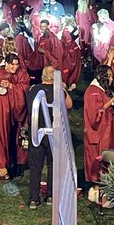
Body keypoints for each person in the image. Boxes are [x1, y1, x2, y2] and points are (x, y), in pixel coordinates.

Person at [25, 65, 72, 209]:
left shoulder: (32, 89)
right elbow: (69, 105)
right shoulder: (58, 91)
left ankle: (33, 199)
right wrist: (62, 88)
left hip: (36, 131)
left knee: (35, 167)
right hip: (54, 132)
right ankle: (51, 195)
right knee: (53, 165)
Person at [83, 64, 114, 193]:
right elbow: (94, 114)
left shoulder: (103, 89)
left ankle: (108, 187)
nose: (111, 79)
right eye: (108, 76)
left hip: (108, 130)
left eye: (111, 76)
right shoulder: (93, 91)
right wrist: (112, 101)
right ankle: (98, 187)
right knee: (99, 157)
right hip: (99, 132)